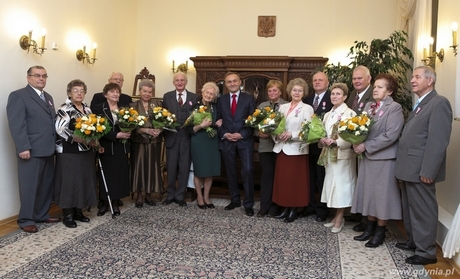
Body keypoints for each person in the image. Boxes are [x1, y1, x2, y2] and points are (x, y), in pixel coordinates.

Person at [395, 66, 452, 265]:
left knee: (424, 210)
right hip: (409, 167)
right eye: (413, 77)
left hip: (421, 169)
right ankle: (414, 242)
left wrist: (429, 170)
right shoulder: (421, 103)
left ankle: (426, 252)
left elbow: (438, 141)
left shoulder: (439, 103)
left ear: (430, 81)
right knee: (411, 209)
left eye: (417, 77)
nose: (412, 80)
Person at [351, 74, 404, 247]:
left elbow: (391, 135)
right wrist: (356, 141)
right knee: (370, 194)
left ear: (389, 91)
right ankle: (370, 227)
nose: (375, 89)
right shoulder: (368, 106)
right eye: (375, 86)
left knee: (382, 196)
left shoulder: (394, 108)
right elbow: (360, 128)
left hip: (384, 158)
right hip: (367, 158)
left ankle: (380, 231)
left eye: (380, 87)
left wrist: (366, 146)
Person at [6, 65, 61, 233]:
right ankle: (26, 219)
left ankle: (41, 214)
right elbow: (17, 125)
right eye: (37, 75)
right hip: (30, 151)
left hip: (48, 149)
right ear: (28, 77)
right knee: (29, 186)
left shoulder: (48, 97)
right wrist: (23, 147)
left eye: (44, 76)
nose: (41, 79)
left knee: (45, 185)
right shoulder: (18, 96)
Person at [54, 79, 98, 228]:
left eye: (82, 91)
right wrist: (79, 139)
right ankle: (68, 215)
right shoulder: (64, 109)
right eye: (75, 90)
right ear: (69, 93)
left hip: (86, 152)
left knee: (83, 182)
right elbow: (60, 130)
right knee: (69, 183)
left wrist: (94, 140)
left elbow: (93, 128)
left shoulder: (87, 109)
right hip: (69, 152)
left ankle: (79, 212)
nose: (79, 93)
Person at [272, 78, 314, 223]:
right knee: (284, 181)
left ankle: (293, 210)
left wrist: (292, 135)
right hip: (282, 149)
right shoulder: (282, 107)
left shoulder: (307, 108)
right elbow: (275, 126)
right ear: (290, 91)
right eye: (294, 90)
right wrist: (277, 135)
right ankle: (284, 208)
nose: (297, 92)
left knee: (295, 182)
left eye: (300, 90)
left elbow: (309, 132)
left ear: (304, 93)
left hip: (297, 150)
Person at [217, 72, 256, 216]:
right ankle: (234, 200)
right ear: (226, 84)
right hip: (227, 141)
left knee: (247, 170)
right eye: (229, 82)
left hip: (244, 140)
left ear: (240, 82)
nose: (232, 83)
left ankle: (248, 203)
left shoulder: (249, 99)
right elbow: (217, 120)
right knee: (230, 171)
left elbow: (254, 121)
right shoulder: (221, 100)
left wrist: (241, 134)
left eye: (234, 81)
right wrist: (224, 134)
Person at [319, 83, 357, 233]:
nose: (334, 96)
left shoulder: (350, 114)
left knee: (341, 187)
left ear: (345, 96)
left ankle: (340, 218)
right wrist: (322, 139)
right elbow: (323, 131)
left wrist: (337, 142)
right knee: (332, 185)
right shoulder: (328, 114)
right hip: (329, 155)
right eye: (333, 94)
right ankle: (335, 216)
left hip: (343, 156)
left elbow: (352, 136)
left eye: (338, 94)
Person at [91, 83, 131, 216]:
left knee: (118, 175)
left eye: (117, 92)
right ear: (105, 94)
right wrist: (116, 135)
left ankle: (114, 202)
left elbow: (131, 123)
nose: (115, 94)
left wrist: (128, 130)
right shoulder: (98, 108)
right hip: (105, 147)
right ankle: (103, 202)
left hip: (121, 147)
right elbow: (98, 128)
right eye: (112, 92)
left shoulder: (124, 109)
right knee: (106, 176)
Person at [344, 65, 374, 231]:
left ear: (369, 79)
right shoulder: (352, 96)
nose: (356, 81)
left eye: (359, 78)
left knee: (365, 182)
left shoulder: (373, 95)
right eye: (354, 78)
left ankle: (365, 218)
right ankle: (358, 212)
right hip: (353, 146)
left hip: (366, 147)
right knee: (356, 179)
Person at [300, 71, 333, 222]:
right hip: (308, 146)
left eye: (320, 80)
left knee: (322, 178)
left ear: (327, 83)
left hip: (323, 147)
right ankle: (310, 205)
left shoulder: (332, 98)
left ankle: (322, 209)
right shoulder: (306, 99)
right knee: (309, 177)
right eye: (315, 80)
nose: (317, 82)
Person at [162, 72, 197, 206]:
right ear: (174, 82)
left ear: (186, 82)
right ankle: (170, 195)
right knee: (171, 167)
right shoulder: (167, 97)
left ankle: (180, 196)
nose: (180, 82)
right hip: (171, 137)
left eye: (182, 80)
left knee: (184, 167)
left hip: (187, 138)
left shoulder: (194, 97)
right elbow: (163, 116)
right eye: (177, 80)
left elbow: (196, 117)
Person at [255, 80, 288, 217]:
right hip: (265, 147)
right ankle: (265, 206)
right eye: (270, 90)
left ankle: (276, 206)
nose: (272, 93)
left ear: (280, 92)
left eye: (275, 90)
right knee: (267, 175)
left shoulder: (287, 106)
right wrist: (260, 133)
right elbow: (255, 125)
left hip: (281, 147)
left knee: (279, 176)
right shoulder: (262, 106)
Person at [129, 80, 163, 208]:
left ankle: (149, 194)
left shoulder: (158, 104)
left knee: (152, 167)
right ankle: (139, 194)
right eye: (145, 91)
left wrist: (159, 129)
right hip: (139, 142)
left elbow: (164, 121)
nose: (147, 94)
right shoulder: (132, 106)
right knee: (139, 167)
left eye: (149, 92)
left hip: (155, 141)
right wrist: (145, 130)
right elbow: (130, 126)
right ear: (139, 91)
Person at [188, 82, 221, 209]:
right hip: (198, 140)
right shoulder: (195, 106)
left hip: (212, 140)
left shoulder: (215, 107)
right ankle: (199, 197)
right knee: (199, 170)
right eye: (207, 92)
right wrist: (201, 126)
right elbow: (190, 128)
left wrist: (220, 121)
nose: (208, 95)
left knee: (210, 170)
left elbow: (219, 120)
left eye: (211, 94)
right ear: (202, 93)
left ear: (214, 96)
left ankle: (207, 196)